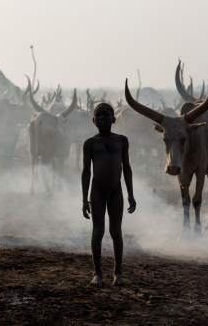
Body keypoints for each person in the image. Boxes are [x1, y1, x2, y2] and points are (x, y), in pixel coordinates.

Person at [82, 102, 136, 287]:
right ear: (93, 120)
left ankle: (118, 272)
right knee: (98, 231)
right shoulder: (90, 143)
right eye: (99, 115)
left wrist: (131, 194)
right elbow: (86, 172)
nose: (103, 118)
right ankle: (97, 273)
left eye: (107, 115)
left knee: (116, 231)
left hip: (116, 190)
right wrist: (84, 199)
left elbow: (127, 168)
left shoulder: (121, 141)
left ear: (114, 119)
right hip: (97, 191)